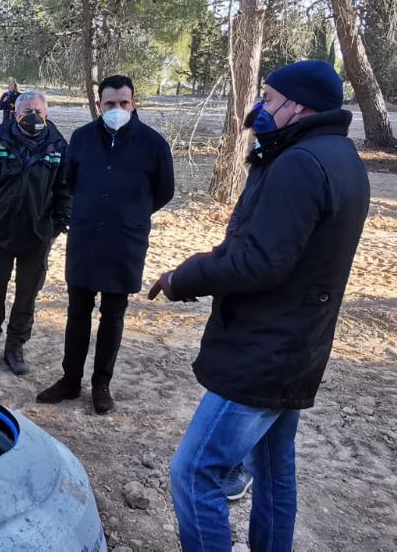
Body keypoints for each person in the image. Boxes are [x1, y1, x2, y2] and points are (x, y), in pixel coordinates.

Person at [151, 61, 369, 552]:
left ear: (298, 106)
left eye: (269, 99)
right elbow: (274, 247)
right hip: (301, 344)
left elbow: (260, 262)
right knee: (273, 469)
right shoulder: (340, 157)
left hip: (264, 350)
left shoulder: (300, 163)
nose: (259, 108)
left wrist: (184, 278)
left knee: (193, 472)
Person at [36, 75, 173, 414]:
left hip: (125, 241)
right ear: (99, 105)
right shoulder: (81, 139)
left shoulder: (153, 144)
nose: (117, 109)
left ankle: (101, 385)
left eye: (123, 103)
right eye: (109, 104)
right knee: (77, 312)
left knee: (113, 314)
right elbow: (69, 181)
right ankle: (70, 380)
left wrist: (130, 212)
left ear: (134, 103)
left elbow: (163, 191)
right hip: (85, 238)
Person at [0, 91, 71, 376]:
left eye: (37, 110)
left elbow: (65, 191)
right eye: (25, 111)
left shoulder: (60, 147)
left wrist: (55, 229)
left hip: (38, 237)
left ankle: (15, 346)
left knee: (27, 296)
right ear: (15, 113)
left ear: (47, 113)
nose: (32, 116)